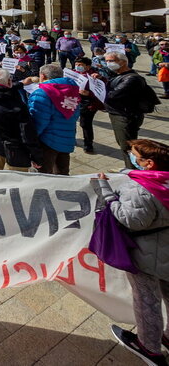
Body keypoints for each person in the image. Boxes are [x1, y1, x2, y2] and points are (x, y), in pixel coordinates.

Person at [95, 139, 169, 366]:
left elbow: (131, 220)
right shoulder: (161, 180)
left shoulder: (141, 190)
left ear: (148, 163)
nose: (131, 158)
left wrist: (105, 192)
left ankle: (149, 347)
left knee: (147, 300)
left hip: (145, 255)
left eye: (135, 156)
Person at [0, 68, 42, 171]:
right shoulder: (18, 108)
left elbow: (0, 88)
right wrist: (36, 157)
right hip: (15, 148)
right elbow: (27, 133)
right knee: (16, 179)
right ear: (9, 81)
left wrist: (22, 83)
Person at [104, 51, 160, 168]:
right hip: (118, 113)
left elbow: (112, 96)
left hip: (125, 116)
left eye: (111, 61)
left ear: (123, 62)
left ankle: (133, 171)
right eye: (107, 61)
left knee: (128, 147)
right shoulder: (117, 74)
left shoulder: (132, 79)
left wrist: (93, 91)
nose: (108, 63)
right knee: (123, 143)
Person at [28, 64, 80, 175]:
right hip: (67, 138)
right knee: (62, 173)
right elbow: (75, 115)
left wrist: (31, 140)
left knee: (43, 173)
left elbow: (38, 121)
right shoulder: (72, 90)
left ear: (42, 76)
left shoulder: (42, 93)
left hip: (47, 141)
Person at [74, 57, 104, 154]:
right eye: (76, 64)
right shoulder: (74, 73)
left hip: (88, 103)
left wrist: (89, 94)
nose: (77, 67)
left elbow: (101, 92)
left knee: (85, 124)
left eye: (80, 65)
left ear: (88, 66)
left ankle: (88, 144)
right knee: (71, 120)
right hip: (74, 101)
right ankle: (72, 139)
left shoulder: (94, 76)